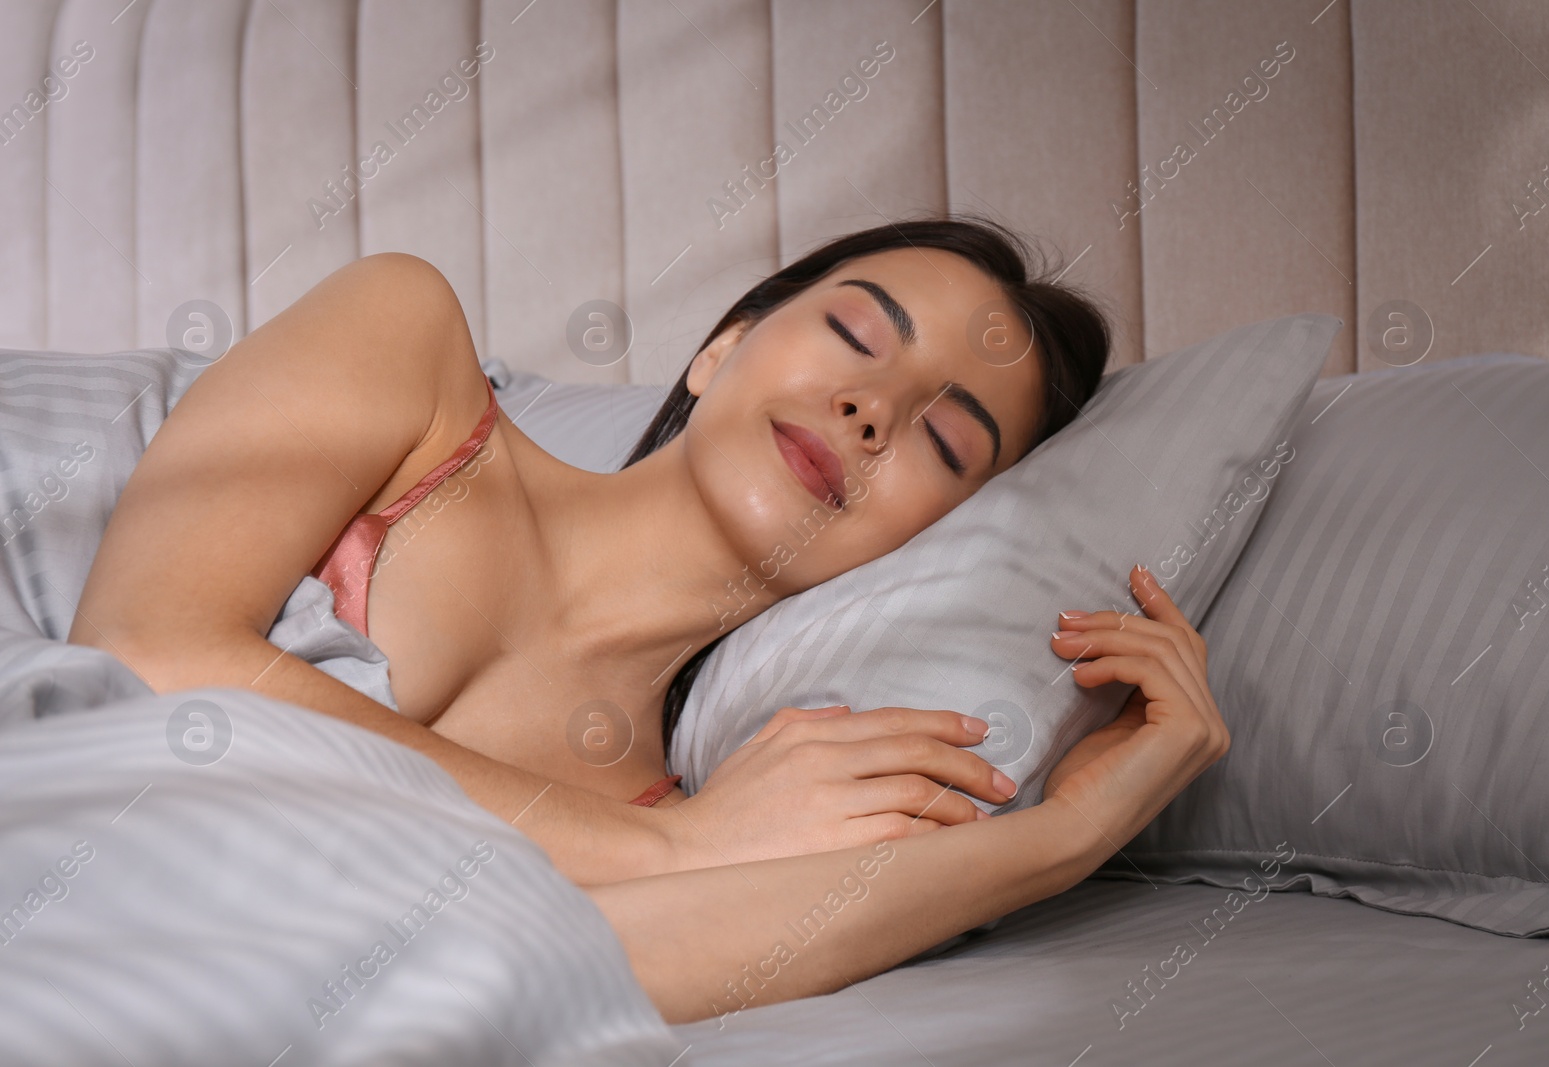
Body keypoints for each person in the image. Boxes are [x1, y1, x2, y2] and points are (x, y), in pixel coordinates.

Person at [68, 214, 1228, 1020]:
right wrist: (670, 850)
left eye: (944, 439)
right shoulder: (407, 344)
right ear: (722, 343)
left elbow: (526, 974)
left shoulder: (722, 812)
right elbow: (144, 649)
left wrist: (1065, 837)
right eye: (857, 334)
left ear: (937, 543)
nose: (872, 406)